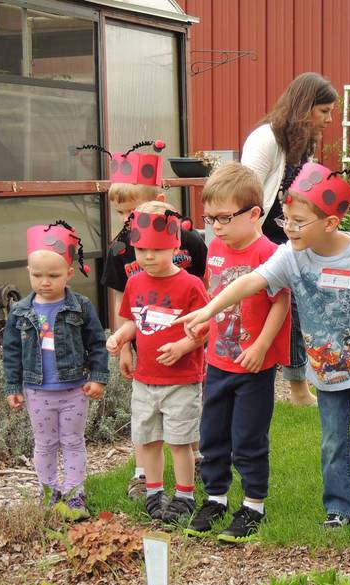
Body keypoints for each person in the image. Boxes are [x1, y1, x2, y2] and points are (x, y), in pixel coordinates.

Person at [177, 162, 350, 528]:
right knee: (333, 443)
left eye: (298, 222)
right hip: (327, 372)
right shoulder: (290, 255)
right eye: (286, 220)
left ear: (328, 223)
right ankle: (340, 507)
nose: (289, 229)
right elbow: (249, 283)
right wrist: (208, 310)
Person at [91, 140, 207, 500]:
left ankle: (196, 462)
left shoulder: (187, 239)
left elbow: (203, 293)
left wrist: (191, 338)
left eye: (133, 209)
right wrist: (123, 343)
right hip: (146, 345)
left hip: (182, 345)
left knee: (182, 418)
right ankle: (145, 478)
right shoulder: (121, 248)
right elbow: (124, 300)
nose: (128, 220)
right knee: (147, 422)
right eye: (121, 212)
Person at [182, 163, 291, 542]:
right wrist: (202, 325)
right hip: (218, 360)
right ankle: (214, 498)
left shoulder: (270, 254)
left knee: (247, 437)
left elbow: (280, 303)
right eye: (210, 217)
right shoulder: (214, 249)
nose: (216, 226)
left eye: (225, 218)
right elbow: (217, 295)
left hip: (252, 365)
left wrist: (261, 344)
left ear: (255, 214)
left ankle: (253, 505)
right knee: (212, 434)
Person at [106, 203, 208, 524]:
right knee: (148, 437)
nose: (148, 256)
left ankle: (184, 495)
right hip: (145, 380)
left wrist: (182, 345)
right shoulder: (135, 283)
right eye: (141, 249)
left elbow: (204, 330)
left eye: (157, 249)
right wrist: (121, 337)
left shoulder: (191, 285)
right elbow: (133, 321)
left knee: (179, 441)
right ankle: (153, 491)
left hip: (181, 380)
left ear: (176, 245)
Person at [241, 72, 338, 407]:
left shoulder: (300, 144)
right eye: (324, 111)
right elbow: (246, 193)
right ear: (305, 107)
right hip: (260, 237)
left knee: (298, 305)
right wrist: (253, 245)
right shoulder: (265, 140)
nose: (329, 119)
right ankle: (289, 386)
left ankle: (298, 385)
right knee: (276, 307)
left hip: (288, 236)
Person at [2, 222, 108, 521]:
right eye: (37, 275)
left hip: (75, 390)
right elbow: (11, 352)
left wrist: (98, 378)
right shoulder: (21, 312)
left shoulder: (80, 306)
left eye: (53, 275)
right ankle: (49, 492)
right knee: (45, 443)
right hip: (38, 392)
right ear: (28, 271)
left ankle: (75, 494)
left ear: (69, 274)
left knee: (73, 441)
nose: (45, 282)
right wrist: (13, 387)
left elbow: (97, 343)